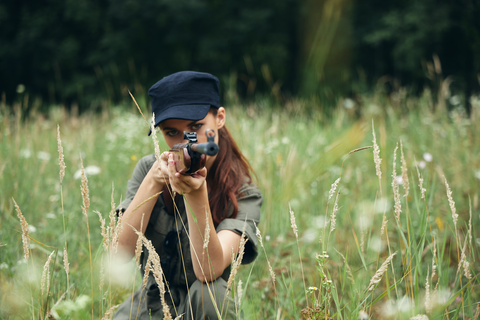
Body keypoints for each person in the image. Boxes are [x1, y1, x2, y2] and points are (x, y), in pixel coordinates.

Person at [113, 71, 263, 320]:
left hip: (201, 307)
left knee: (211, 294)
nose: (184, 140)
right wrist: (153, 181)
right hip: (151, 302)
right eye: (171, 132)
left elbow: (207, 272)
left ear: (220, 118)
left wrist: (196, 194)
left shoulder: (243, 192)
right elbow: (119, 254)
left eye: (195, 127)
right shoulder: (148, 169)